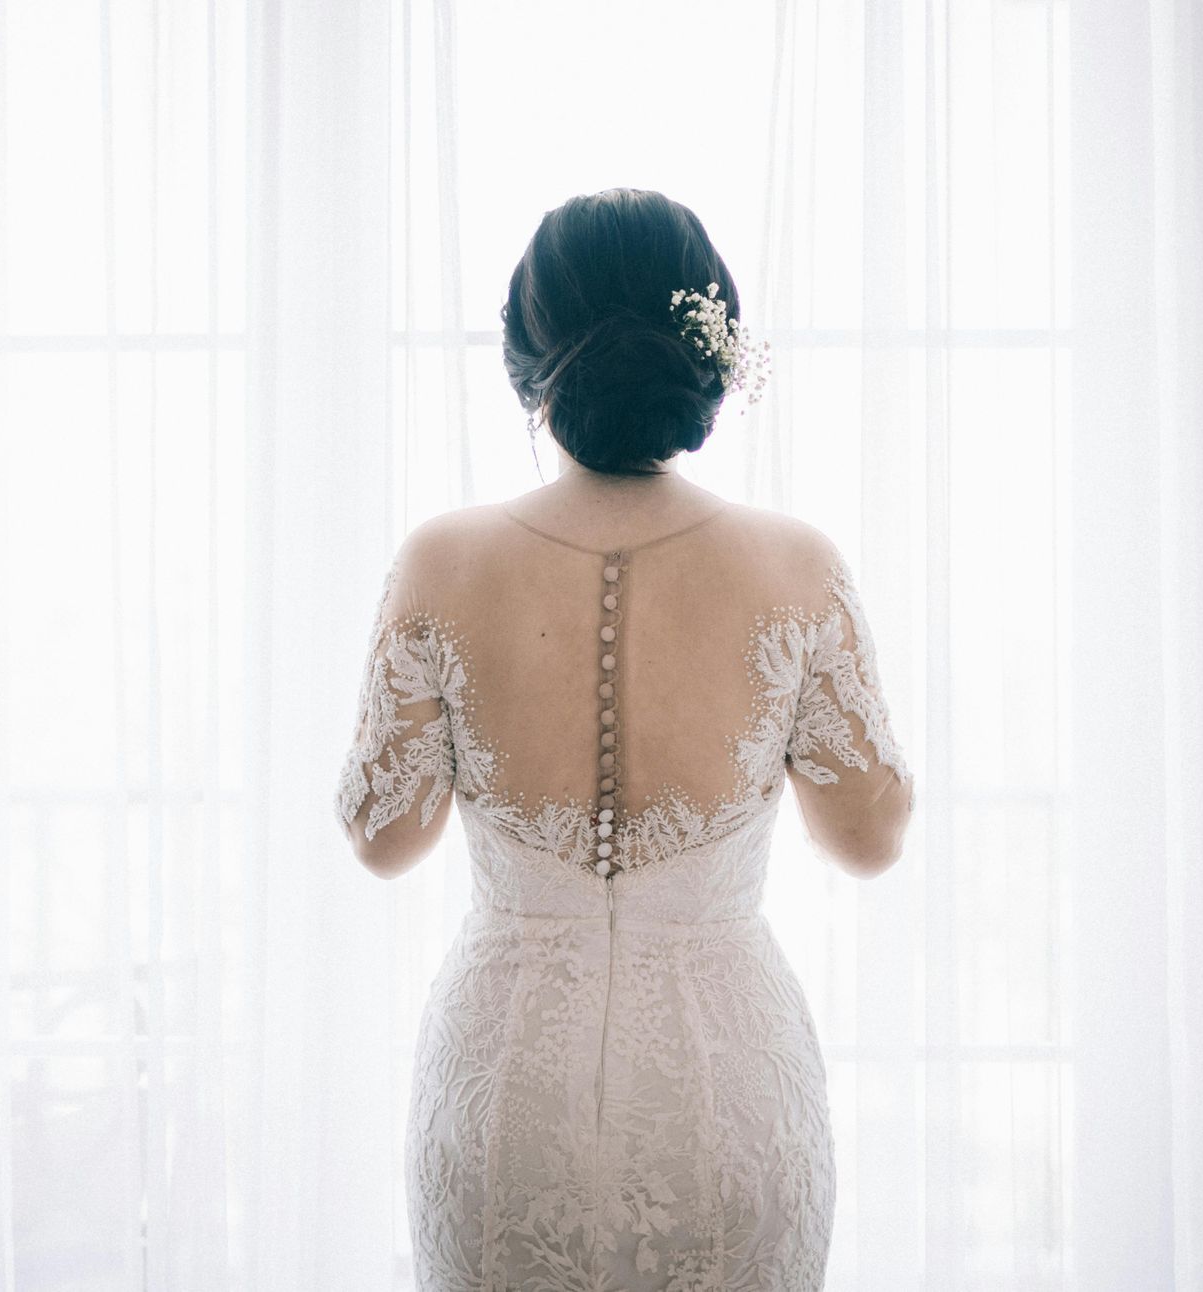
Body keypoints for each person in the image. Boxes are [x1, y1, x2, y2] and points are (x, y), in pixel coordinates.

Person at [334, 187, 915, 1290]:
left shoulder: (442, 563)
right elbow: (869, 838)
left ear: (528, 354)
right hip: (725, 1095)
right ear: (712, 344)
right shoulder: (794, 567)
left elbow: (383, 836)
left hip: (508, 1097)